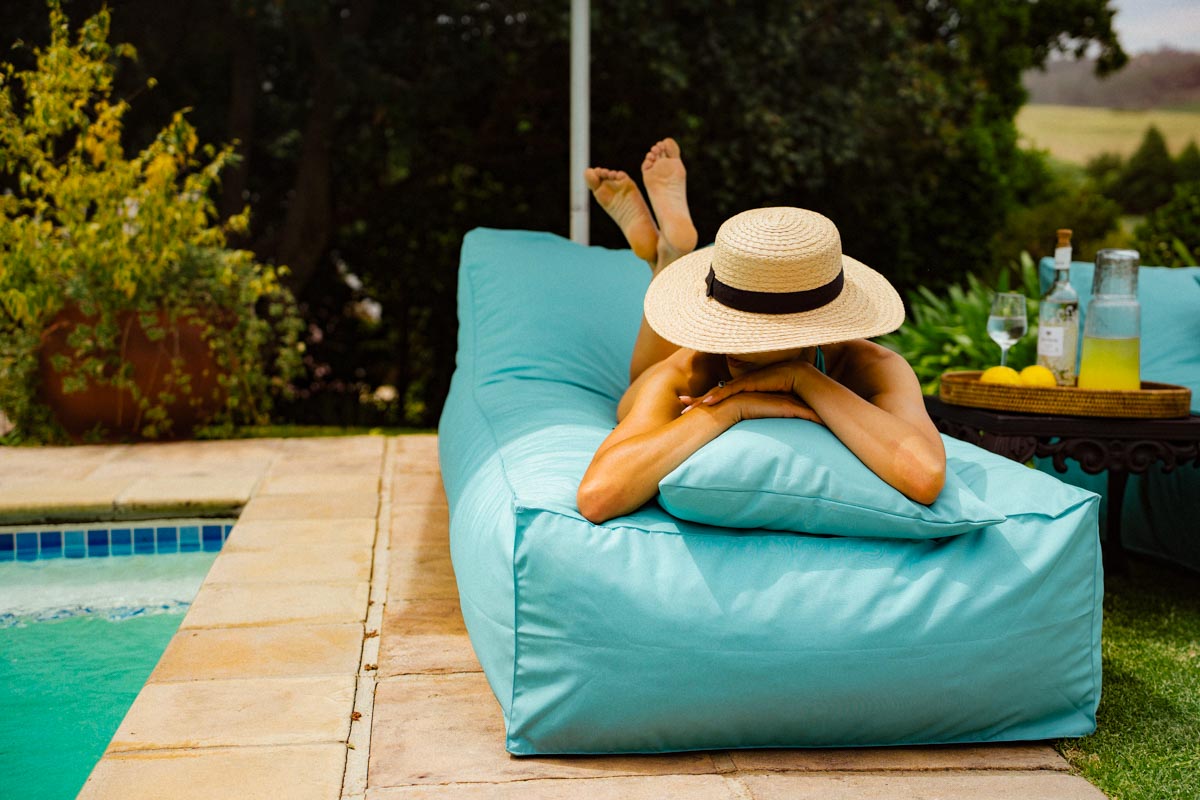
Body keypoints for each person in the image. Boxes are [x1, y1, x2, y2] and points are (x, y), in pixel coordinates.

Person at [576, 138, 947, 524]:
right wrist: (728, 409)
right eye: (730, 326)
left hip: (811, 369)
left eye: (748, 333)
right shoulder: (694, 368)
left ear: (809, 334)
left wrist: (803, 380)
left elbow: (925, 477)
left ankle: (668, 254)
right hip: (677, 377)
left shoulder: (872, 367)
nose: (730, 345)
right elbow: (598, 497)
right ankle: (668, 258)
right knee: (635, 393)